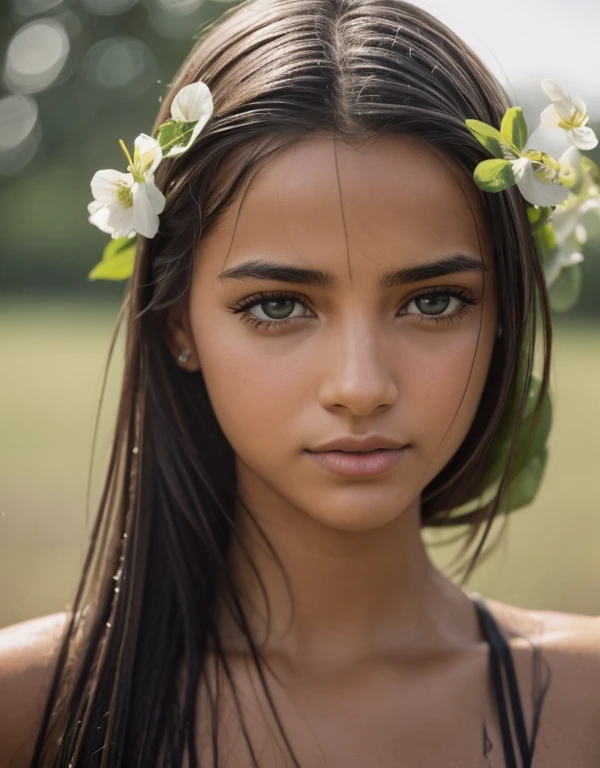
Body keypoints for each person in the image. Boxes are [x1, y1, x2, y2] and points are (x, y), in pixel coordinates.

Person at [1, 0, 599, 766]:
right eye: (277, 305)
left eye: (433, 301)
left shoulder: (583, 705)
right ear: (179, 323)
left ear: (508, 312)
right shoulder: (32, 712)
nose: (360, 386)